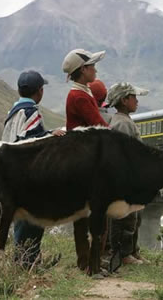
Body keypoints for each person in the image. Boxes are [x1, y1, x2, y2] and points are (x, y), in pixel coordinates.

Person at [2, 70, 65, 268]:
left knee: (22, 220)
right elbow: (31, 142)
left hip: (11, 174)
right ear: (39, 91)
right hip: (26, 177)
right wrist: (51, 136)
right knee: (33, 221)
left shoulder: (13, 112)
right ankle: (27, 262)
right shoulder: (31, 112)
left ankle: (23, 261)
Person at [62, 49, 109, 271]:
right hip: (84, 160)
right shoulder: (79, 96)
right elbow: (98, 124)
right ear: (83, 70)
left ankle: (90, 261)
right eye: (92, 66)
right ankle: (89, 263)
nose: (95, 70)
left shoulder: (82, 92)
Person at [106, 82, 149, 266]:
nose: (137, 101)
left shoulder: (122, 121)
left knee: (134, 218)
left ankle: (132, 250)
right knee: (126, 219)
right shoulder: (122, 124)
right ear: (124, 100)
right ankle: (124, 254)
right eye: (134, 97)